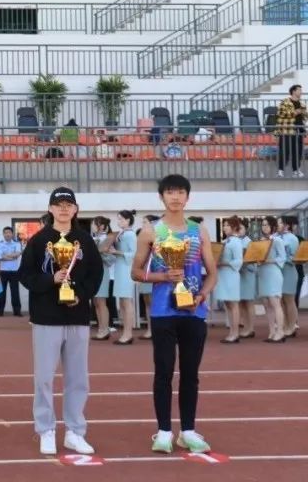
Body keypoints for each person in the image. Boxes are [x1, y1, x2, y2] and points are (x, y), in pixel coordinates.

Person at [131, 174, 219, 454]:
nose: (176, 197)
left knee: (190, 373)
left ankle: (188, 431)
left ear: (187, 197)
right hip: (162, 312)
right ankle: (164, 432)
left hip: (193, 311)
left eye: (180, 192)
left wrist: (201, 295)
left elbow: (212, 273)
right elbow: (136, 272)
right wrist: (162, 276)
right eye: (170, 192)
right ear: (162, 197)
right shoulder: (150, 232)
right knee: (164, 372)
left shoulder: (198, 230)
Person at [18, 186, 103, 456]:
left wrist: (80, 294)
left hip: (77, 317)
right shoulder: (38, 240)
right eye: (59, 205)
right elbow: (25, 275)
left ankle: (75, 431)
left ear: (76, 209)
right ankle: (46, 429)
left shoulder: (84, 241)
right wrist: (50, 280)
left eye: (68, 204)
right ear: (50, 209)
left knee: (78, 378)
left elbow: (96, 274)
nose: (64, 209)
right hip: (46, 318)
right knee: (44, 378)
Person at [109, 211, 138, 345]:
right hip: (120, 268)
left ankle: (128, 333)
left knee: (126, 301)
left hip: (126, 269)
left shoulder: (130, 234)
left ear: (128, 220)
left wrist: (117, 252)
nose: (119, 221)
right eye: (118, 219)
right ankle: (125, 332)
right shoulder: (122, 233)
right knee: (122, 301)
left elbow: (134, 253)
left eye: (121, 219)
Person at [257, 216, 287, 343]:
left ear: (273, 227)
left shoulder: (277, 240)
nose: (265, 227)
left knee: (275, 303)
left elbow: (283, 257)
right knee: (266, 304)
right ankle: (272, 331)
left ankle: (280, 331)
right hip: (263, 273)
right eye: (263, 225)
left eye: (267, 225)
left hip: (273, 273)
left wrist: (270, 260)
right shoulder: (260, 241)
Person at [215, 217, 245, 343]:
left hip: (231, 274)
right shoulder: (225, 241)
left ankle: (235, 333)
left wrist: (224, 263)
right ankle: (231, 332)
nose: (224, 227)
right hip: (223, 274)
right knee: (228, 304)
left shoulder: (236, 242)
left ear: (234, 227)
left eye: (227, 225)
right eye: (224, 225)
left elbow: (239, 260)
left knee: (233, 304)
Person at [91, 216, 114, 340]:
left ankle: (105, 329)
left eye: (94, 224)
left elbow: (111, 259)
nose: (92, 226)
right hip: (94, 272)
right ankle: (101, 328)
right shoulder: (94, 238)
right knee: (96, 301)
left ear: (101, 226)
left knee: (101, 301)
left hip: (103, 272)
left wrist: (99, 253)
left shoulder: (106, 239)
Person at [276, 85, 305, 178]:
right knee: (285, 150)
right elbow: (280, 114)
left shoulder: (302, 104)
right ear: (293, 91)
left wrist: (305, 113)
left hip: (299, 130)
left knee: (297, 151)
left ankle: (296, 170)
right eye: (299, 90)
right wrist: (295, 112)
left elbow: (304, 116)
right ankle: (280, 170)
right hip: (287, 130)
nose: (301, 92)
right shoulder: (285, 102)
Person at [0, 226, 22, 317]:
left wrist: (5, 256)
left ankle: (17, 312)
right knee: (0, 292)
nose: (7, 234)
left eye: (9, 232)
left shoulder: (17, 244)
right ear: (3, 234)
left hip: (14, 272)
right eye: (5, 233)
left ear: (12, 234)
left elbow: (18, 254)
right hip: (2, 271)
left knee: (15, 292)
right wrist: (11, 257)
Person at [279, 217, 300, 337]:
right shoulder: (275, 237)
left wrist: (283, 258)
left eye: (280, 223)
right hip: (278, 272)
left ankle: (292, 326)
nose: (278, 225)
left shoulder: (292, 238)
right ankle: (285, 325)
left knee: (289, 300)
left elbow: (294, 257)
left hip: (289, 271)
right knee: (281, 300)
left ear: (286, 225)